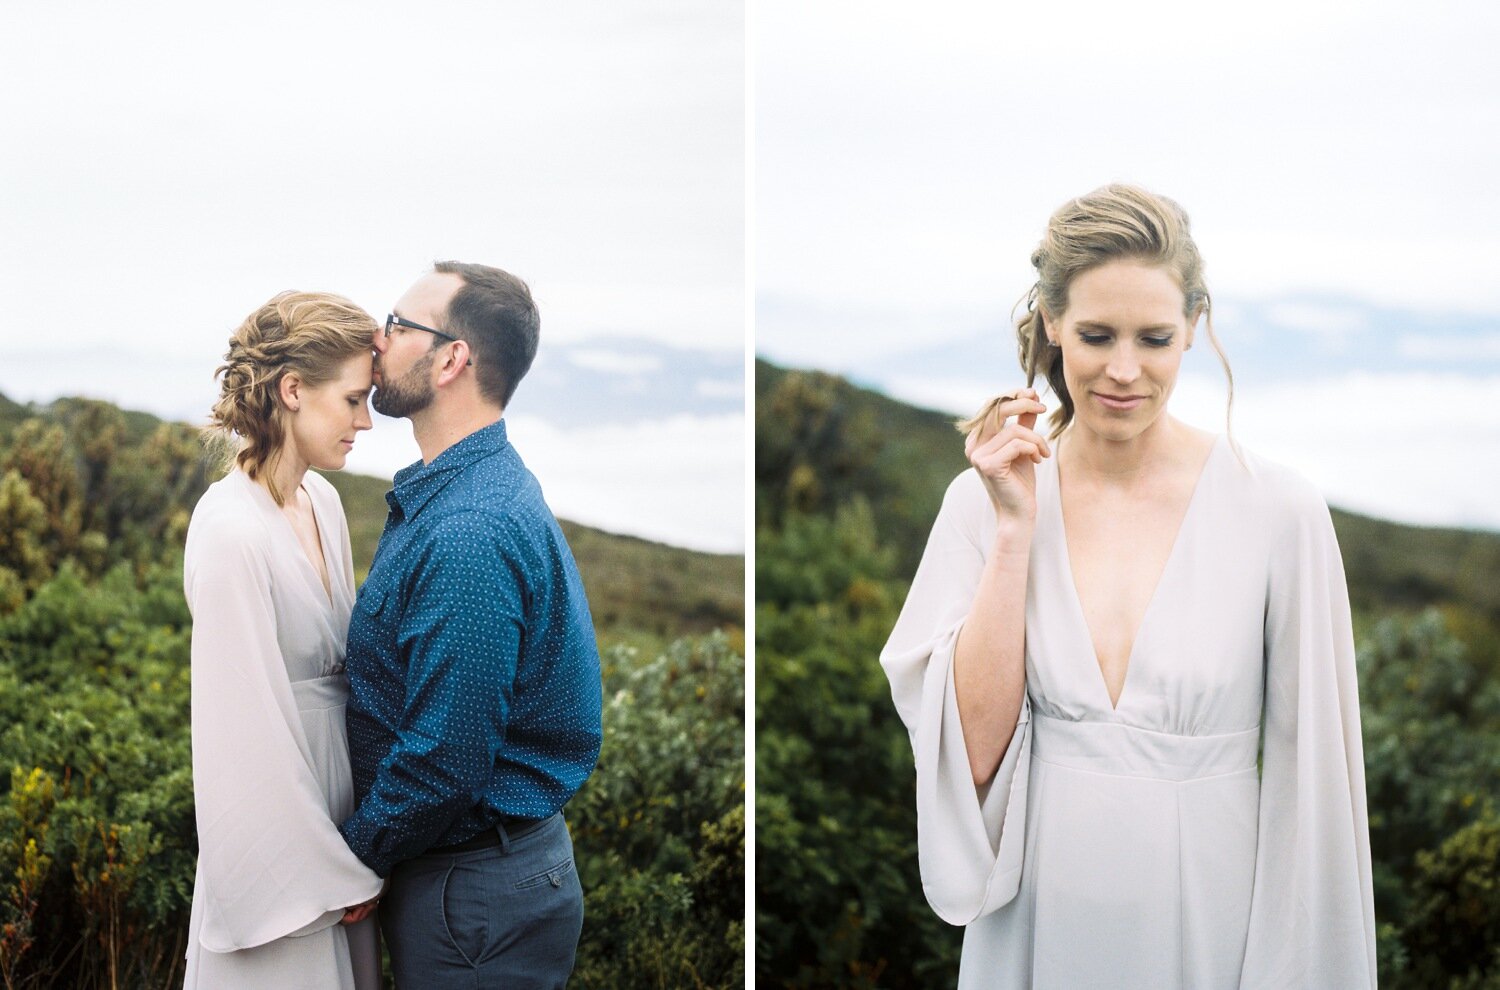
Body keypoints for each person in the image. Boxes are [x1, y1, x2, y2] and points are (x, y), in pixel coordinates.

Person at [880, 184, 1377, 988]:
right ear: (1051, 324)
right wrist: (1014, 530)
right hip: (1032, 932)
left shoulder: (1278, 510)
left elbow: (1314, 792)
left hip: (1212, 928)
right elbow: (969, 756)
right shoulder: (981, 500)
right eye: (1095, 335)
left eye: (1153, 339)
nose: (1122, 371)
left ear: (1193, 329)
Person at [337, 261, 604, 986]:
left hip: (471, 895)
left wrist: (355, 857)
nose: (375, 338)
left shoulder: (468, 531)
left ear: (452, 358)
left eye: (397, 326)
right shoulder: (464, 490)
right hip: (481, 883)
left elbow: (446, 756)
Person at [182, 291, 386, 989]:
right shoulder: (229, 532)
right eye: (354, 400)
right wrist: (324, 872)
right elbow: (240, 730)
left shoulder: (322, 502)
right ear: (292, 390)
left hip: (339, 804)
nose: (365, 422)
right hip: (280, 832)